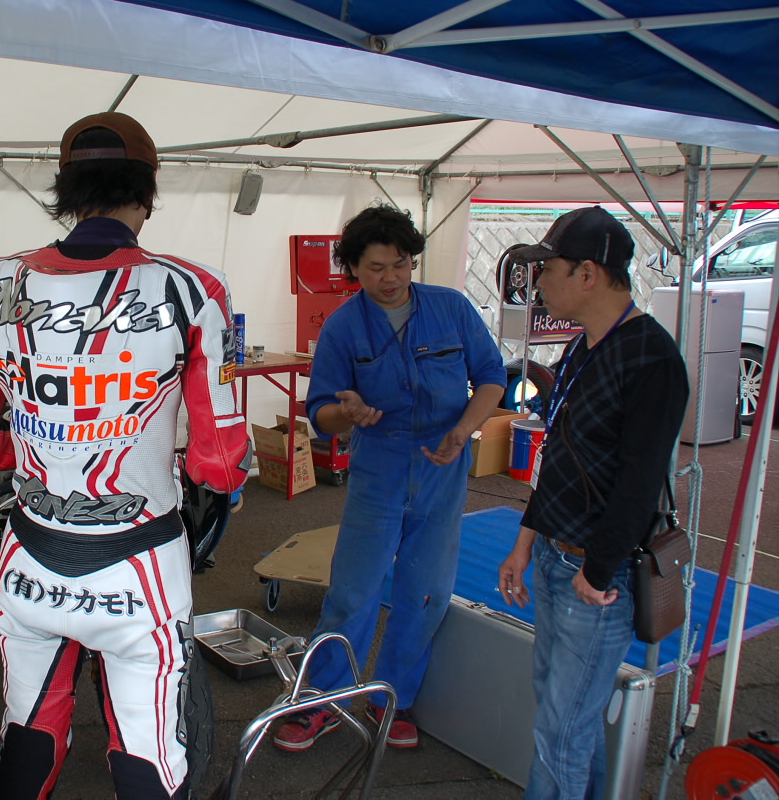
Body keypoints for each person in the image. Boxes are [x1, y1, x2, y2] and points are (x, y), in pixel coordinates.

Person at [0, 112, 251, 800]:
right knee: (148, 755)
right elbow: (221, 462)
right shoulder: (194, 289)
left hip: (29, 555)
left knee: (27, 733)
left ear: (66, 191)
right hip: (141, 565)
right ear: (147, 191)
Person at [274, 204, 507, 753]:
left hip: (443, 468)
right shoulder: (342, 327)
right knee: (352, 593)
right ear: (353, 268)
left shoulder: (451, 308)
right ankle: (321, 702)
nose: (391, 278)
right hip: (379, 468)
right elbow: (320, 412)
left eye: (401, 264)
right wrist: (348, 412)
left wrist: (465, 430)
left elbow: (492, 376)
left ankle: (391, 700)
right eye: (376, 268)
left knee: (425, 593)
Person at [498, 206, 688, 799]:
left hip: (597, 577)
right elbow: (556, 457)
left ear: (587, 274)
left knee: (562, 728)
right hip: (557, 558)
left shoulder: (652, 357)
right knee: (566, 717)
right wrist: (525, 543)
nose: (538, 284)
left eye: (547, 269)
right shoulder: (583, 347)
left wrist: (599, 569)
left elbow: (640, 480)